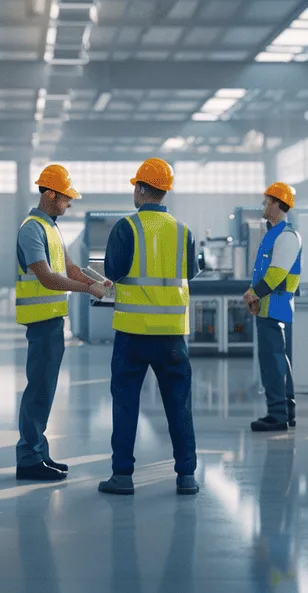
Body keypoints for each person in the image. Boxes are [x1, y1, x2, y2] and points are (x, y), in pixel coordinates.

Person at [98, 158, 201, 497]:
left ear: (141, 189)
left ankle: (122, 476)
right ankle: (186, 476)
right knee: (179, 405)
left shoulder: (125, 228)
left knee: (126, 403)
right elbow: (192, 273)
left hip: (133, 333)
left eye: (134, 186)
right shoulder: (184, 231)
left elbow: (112, 272)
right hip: (172, 335)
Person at [16, 164, 109, 482]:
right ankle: (28, 458)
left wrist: (97, 280)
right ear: (51, 193)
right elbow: (46, 277)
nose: (69, 204)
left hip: (53, 321)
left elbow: (68, 268)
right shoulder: (32, 229)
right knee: (38, 389)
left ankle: (39, 452)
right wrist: (87, 289)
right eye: (66, 198)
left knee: (46, 389)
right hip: (40, 321)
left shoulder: (52, 228)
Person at [243, 182, 301, 432]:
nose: (264, 205)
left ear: (278, 204)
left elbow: (276, 274)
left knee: (273, 361)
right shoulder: (273, 234)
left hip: (275, 306)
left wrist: (253, 294)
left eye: (267, 201)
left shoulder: (287, 236)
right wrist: (256, 297)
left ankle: (277, 414)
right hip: (268, 306)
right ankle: (285, 411)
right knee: (277, 359)